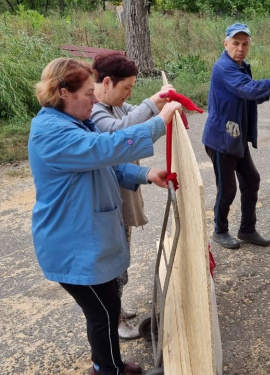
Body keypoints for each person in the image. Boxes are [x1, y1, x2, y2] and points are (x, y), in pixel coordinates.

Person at [28, 57, 182, 375]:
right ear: (63, 92)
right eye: (87, 92)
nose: (95, 98)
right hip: (71, 246)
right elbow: (105, 148)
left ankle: (109, 365)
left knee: (107, 309)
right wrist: (159, 122)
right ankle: (107, 369)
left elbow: (104, 163)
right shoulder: (52, 133)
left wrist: (146, 174)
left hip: (83, 242)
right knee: (103, 313)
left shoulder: (73, 122)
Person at [91, 52, 172, 339]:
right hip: (108, 205)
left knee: (121, 259)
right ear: (108, 82)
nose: (128, 95)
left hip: (119, 198)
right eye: (126, 88)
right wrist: (156, 106)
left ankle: (118, 309)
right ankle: (113, 318)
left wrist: (157, 102)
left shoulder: (116, 106)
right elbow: (122, 132)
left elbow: (137, 116)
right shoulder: (97, 112)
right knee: (113, 265)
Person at [202, 23, 270, 249]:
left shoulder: (241, 67)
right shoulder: (223, 68)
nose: (240, 48)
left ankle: (247, 229)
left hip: (235, 137)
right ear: (225, 44)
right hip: (220, 141)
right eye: (235, 43)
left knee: (251, 179)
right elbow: (248, 89)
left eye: (245, 44)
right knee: (227, 189)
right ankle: (220, 230)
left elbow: (249, 95)